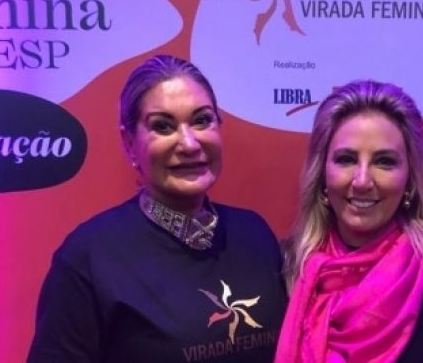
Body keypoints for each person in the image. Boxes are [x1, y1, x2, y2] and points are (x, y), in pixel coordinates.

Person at [27, 55, 287, 362]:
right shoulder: (89, 258)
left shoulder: (255, 234)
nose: (189, 143)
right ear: (129, 143)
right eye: (163, 126)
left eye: (202, 120)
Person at [276, 80, 423, 362]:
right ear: (322, 174)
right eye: (346, 159)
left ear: (410, 178)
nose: (362, 181)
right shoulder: (288, 272)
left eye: (384, 161)